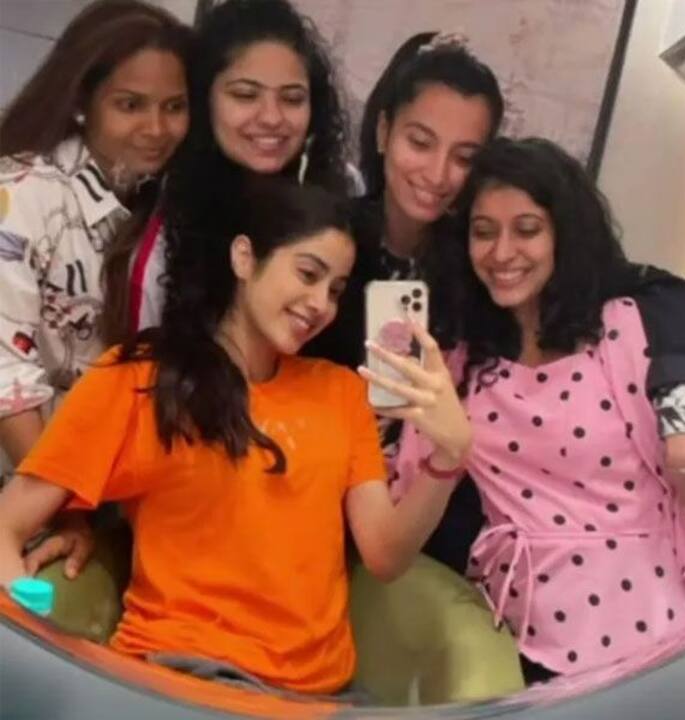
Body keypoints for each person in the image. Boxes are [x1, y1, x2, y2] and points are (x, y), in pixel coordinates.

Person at [0, 179, 471, 698]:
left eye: (336, 290)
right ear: (244, 257)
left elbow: (385, 554)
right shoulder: (139, 378)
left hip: (321, 696)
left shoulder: (340, 393)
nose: (321, 304)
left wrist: (448, 457)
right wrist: (29, 648)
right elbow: (7, 524)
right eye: (308, 274)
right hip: (183, 677)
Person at [305, 31, 685, 576]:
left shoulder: (486, 259)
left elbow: (659, 292)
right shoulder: (330, 240)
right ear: (384, 132)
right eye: (420, 142)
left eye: (464, 156)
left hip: (446, 524)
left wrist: (684, 418)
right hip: (322, 485)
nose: (437, 174)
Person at [387, 137, 685, 682]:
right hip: (531, 638)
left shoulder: (624, 324)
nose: (502, 253)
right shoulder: (456, 363)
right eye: (483, 231)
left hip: (663, 620)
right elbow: (406, 492)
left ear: (563, 233)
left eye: (527, 229)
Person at [0, 0, 191, 571]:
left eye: (175, 107)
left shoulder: (163, 202)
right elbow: (7, 379)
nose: (157, 129)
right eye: (130, 105)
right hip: (23, 489)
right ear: (83, 103)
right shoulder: (21, 194)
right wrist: (61, 512)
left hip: (94, 491)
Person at [126, 0, 350, 340]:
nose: (271, 117)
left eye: (292, 99)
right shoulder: (166, 233)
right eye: (245, 95)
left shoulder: (341, 190)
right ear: (203, 100)